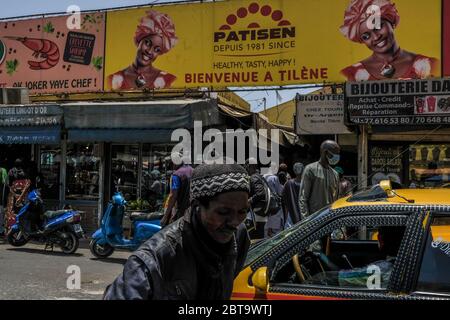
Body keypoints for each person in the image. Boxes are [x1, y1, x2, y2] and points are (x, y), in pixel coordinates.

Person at [103, 163, 251, 300]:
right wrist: (167, 215)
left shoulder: (239, 236)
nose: (235, 222)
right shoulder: (153, 260)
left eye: (242, 212)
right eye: (224, 212)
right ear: (197, 206)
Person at [339, 0, 439, 81]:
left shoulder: (429, 65)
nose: (376, 37)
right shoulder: (351, 73)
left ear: (391, 21)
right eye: (366, 36)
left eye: (378, 26)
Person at [305, 226, 405, 288]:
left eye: (380, 233)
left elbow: (338, 278)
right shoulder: (401, 263)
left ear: (381, 239)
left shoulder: (385, 268)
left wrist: (313, 279)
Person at [108, 10, 178, 90]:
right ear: (139, 40)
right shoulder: (112, 80)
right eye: (147, 43)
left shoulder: (169, 80)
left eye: (157, 50)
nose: (149, 51)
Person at [299, 140, 340, 219]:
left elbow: (337, 200)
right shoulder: (310, 170)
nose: (337, 157)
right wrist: (306, 222)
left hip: (330, 220)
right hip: (315, 221)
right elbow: (303, 199)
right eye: (335, 154)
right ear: (325, 153)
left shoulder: (335, 174)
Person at [160, 160, 193, 226]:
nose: (172, 166)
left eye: (172, 163)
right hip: (193, 211)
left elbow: (173, 196)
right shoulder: (193, 170)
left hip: (182, 211)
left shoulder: (176, 175)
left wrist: (165, 217)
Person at [264, 164, 285, 238]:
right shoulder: (274, 178)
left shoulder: (263, 176)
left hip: (266, 205)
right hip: (274, 206)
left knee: (266, 233)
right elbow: (280, 192)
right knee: (276, 233)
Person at [282, 162, 304, 228]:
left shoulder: (288, 183)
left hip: (291, 216)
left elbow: (285, 203)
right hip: (304, 215)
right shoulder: (307, 183)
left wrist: (285, 218)